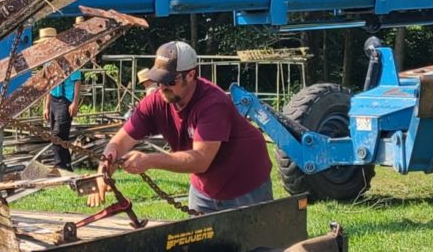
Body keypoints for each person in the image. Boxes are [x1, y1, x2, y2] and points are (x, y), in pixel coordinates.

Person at [100, 40, 273, 213]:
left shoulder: (212, 104)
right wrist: (104, 169)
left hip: (244, 185)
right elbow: (120, 142)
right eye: (158, 80)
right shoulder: (155, 103)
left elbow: (200, 160)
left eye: (169, 81)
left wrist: (149, 160)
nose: (162, 87)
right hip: (204, 189)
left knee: (250, 239)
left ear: (190, 75)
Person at [39, 27, 83, 171]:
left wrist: (75, 102)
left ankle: (60, 164)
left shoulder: (70, 58)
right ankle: (65, 164)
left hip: (66, 99)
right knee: (56, 134)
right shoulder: (48, 63)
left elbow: (77, 80)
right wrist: (46, 106)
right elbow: (48, 85)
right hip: (54, 99)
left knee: (58, 133)